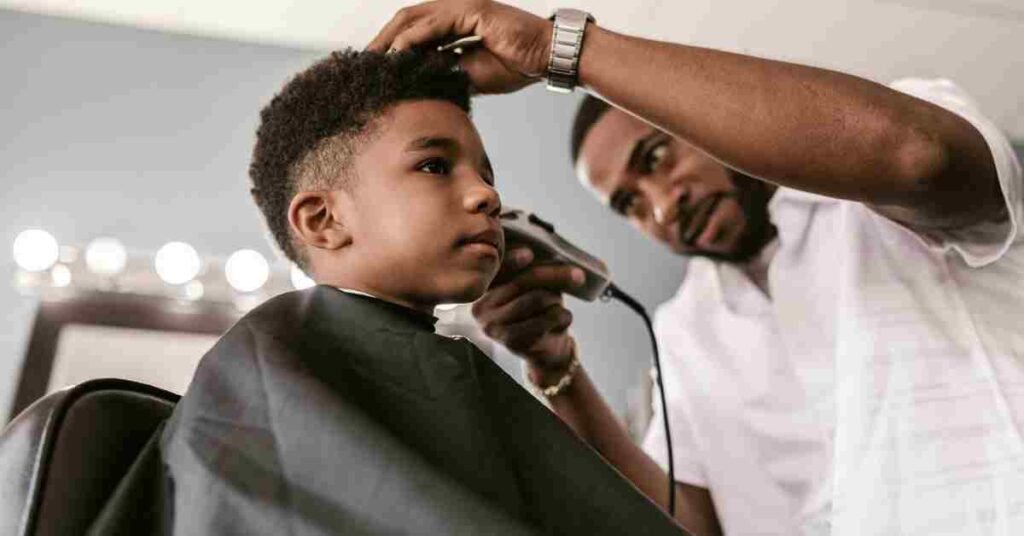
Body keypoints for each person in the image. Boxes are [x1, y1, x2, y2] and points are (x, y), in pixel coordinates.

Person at [368, 2, 1024, 536]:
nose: (661, 204)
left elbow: (917, 156)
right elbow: (683, 524)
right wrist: (554, 368)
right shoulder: (686, 331)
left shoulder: (881, 199)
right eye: (629, 202)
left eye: (655, 159)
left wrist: (561, 51)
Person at [86, 50, 684, 535]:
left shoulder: (443, 370)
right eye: (434, 166)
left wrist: (556, 365)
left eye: (487, 175)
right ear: (322, 221)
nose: (487, 197)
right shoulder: (277, 361)